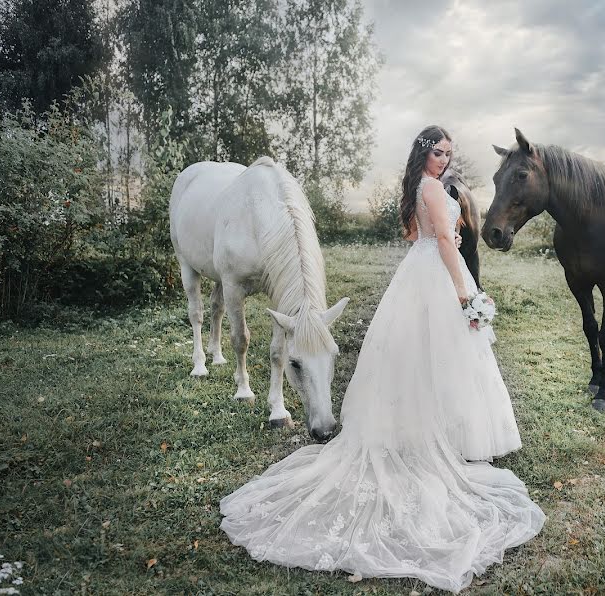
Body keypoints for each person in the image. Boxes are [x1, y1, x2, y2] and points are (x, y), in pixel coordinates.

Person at [220, 125, 545, 593]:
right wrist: (462, 290)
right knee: (445, 355)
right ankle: (450, 434)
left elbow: (419, 235)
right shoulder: (433, 187)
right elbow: (448, 245)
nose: (444, 159)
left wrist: (444, 236)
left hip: (419, 269)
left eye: (448, 153)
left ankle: (436, 426)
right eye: (437, 152)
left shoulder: (420, 188)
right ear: (423, 153)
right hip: (438, 274)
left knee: (424, 357)